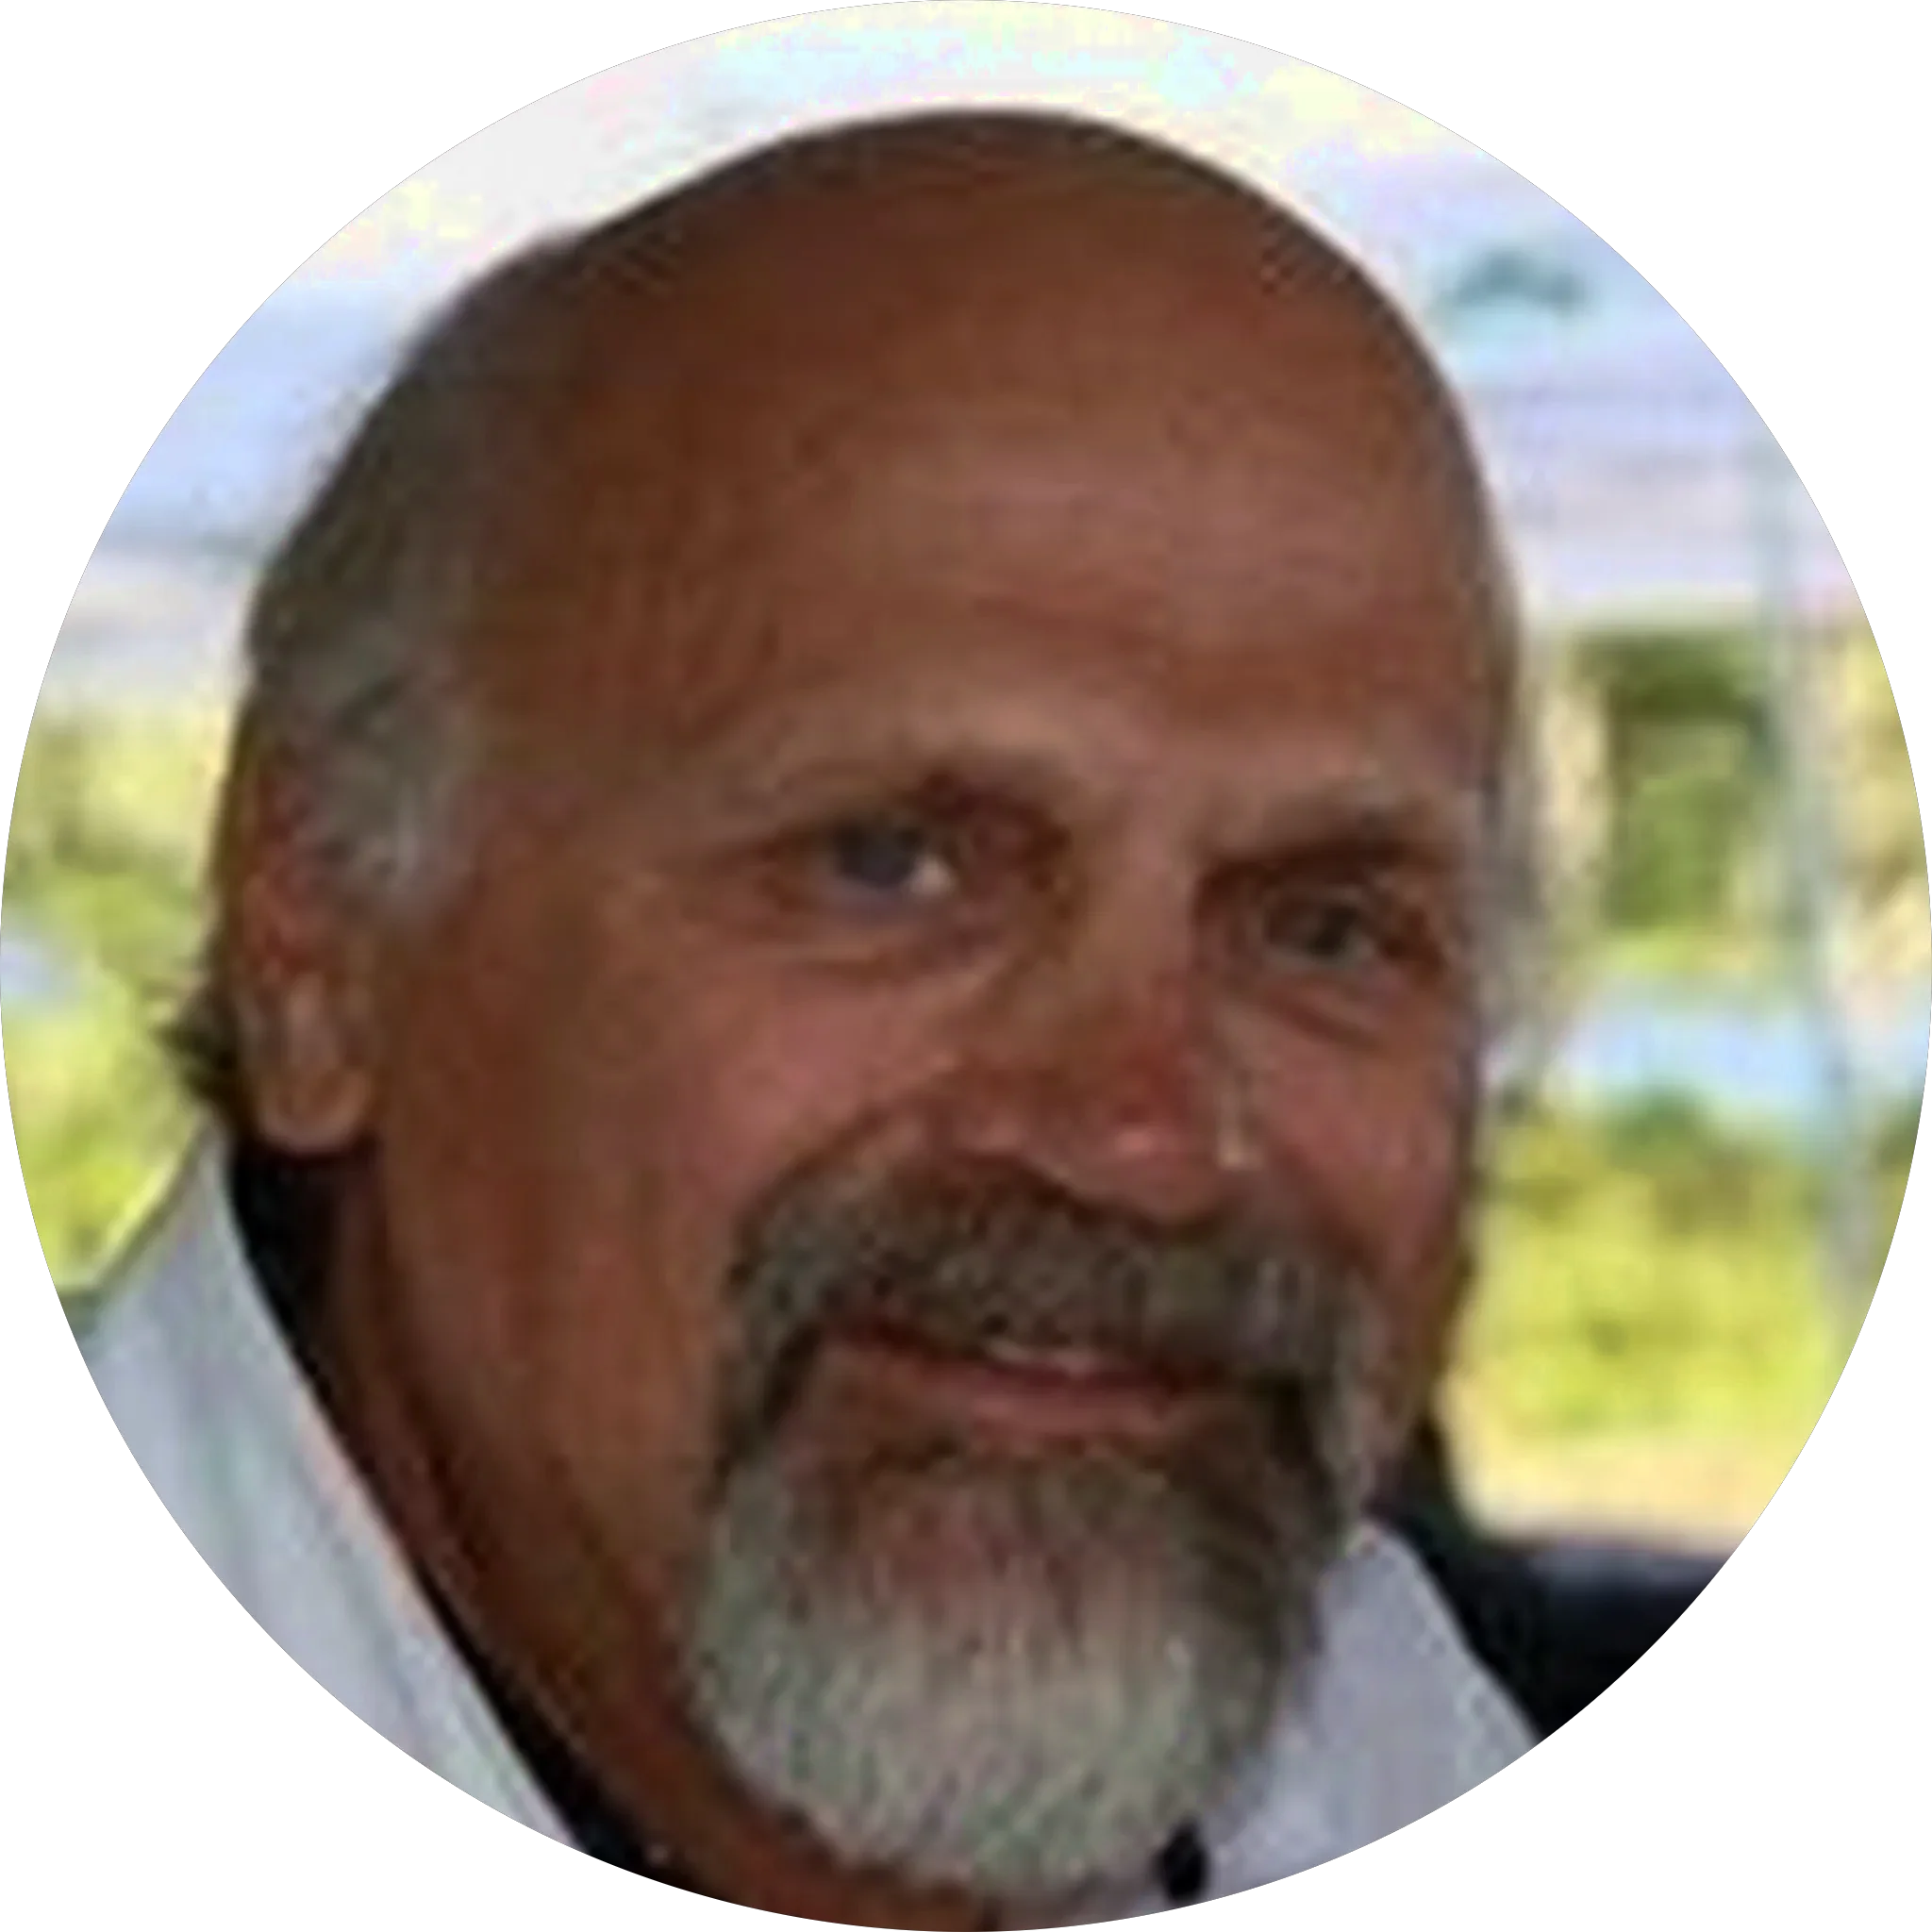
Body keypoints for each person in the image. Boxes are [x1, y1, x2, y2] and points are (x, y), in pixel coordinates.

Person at [72, 109, 1543, 1927]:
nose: (1143, 1139)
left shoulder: (1366, 1732)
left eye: (1325, 928)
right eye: (892, 863)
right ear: (320, 945)